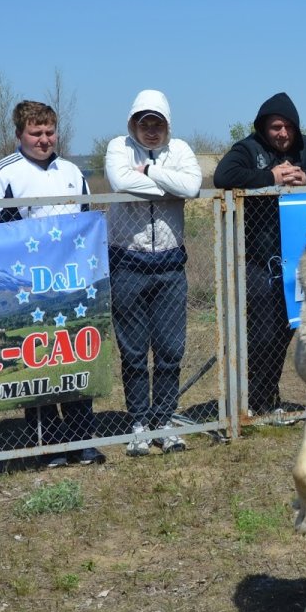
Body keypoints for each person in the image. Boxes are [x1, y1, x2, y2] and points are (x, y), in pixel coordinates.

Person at [213, 92, 306, 415]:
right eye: (275, 127)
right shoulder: (248, 149)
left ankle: (267, 399)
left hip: (296, 261)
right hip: (256, 260)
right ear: (264, 127)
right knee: (261, 334)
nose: (282, 134)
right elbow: (224, 176)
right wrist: (270, 178)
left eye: (287, 127)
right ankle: (250, 401)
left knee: (284, 331)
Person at [0, 100, 103, 467]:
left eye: (49, 132)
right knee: (37, 364)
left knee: (75, 357)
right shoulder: (2, 174)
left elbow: (87, 222)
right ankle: (46, 443)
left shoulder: (72, 171)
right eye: (36, 133)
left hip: (71, 287)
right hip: (25, 289)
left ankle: (81, 439)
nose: (44, 140)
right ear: (19, 135)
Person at [104, 90, 202, 456]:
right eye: (144, 123)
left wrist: (150, 171)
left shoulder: (181, 151)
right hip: (128, 260)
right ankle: (139, 423)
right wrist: (165, 185)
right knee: (133, 350)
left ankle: (164, 420)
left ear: (167, 124)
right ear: (133, 123)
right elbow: (121, 183)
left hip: (171, 263)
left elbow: (191, 187)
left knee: (170, 349)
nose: (150, 130)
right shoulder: (118, 147)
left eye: (157, 122)